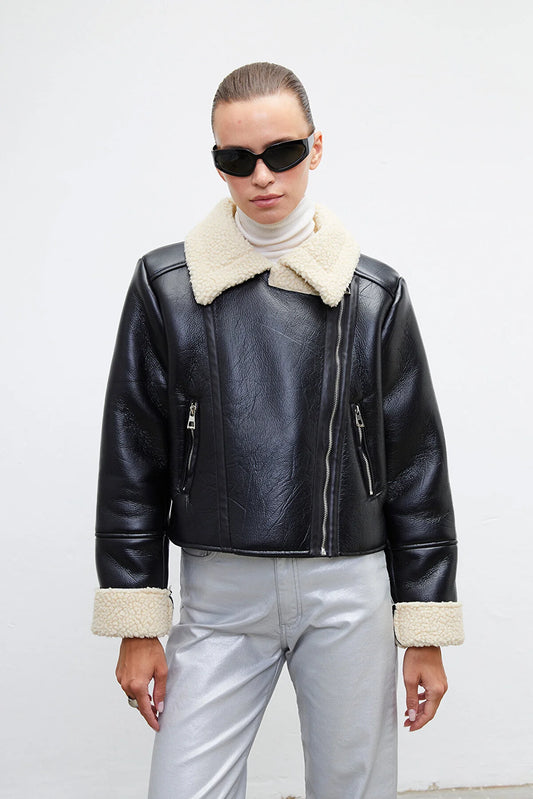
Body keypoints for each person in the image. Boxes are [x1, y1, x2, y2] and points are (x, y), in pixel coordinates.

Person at [92, 62, 464, 799]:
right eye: (237, 159)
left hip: (347, 585)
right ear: (217, 163)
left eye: (282, 152)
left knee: (354, 789)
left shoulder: (373, 294)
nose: (261, 176)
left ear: (315, 148)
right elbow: (133, 456)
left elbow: (415, 465)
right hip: (220, 591)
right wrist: (136, 620)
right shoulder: (167, 287)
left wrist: (423, 630)